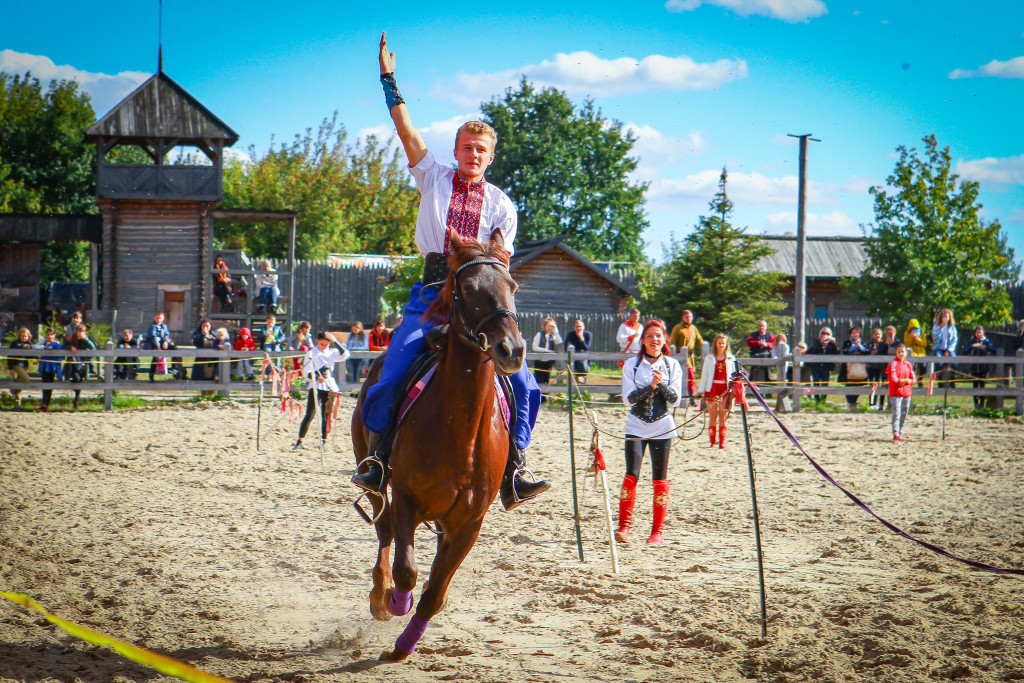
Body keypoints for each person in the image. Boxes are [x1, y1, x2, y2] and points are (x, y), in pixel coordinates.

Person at [354, 32, 549, 511]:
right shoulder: (432, 176)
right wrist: (388, 79)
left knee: (524, 383)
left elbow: (500, 262)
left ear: (491, 155)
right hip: (432, 294)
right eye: (466, 147)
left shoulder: (503, 205)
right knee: (393, 366)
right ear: (456, 149)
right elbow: (405, 130)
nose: (473, 155)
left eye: (481, 150)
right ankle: (377, 460)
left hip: (480, 300)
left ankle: (516, 465)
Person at [616, 320, 682, 544]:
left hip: (663, 426)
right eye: (650, 336)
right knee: (631, 474)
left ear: (664, 340)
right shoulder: (631, 365)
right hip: (636, 424)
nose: (655, 340)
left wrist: (661, 383)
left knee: (659, 478)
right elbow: (628, 399)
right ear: (643, 340)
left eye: (658, 336)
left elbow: (675, 400)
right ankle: (624, 527)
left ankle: (657, 532)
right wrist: (651, 386)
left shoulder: (673, 365)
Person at [293, 331, 351, 450]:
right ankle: (300, 440)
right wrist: (314, 376)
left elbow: (346, 354)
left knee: (326, 414)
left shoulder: (332, 353)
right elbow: (306, 372)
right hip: (315, 385)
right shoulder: (311, 353)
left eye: (325, 344)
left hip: (328, 385)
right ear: (317, 342)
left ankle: (324, 440)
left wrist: (335, 341)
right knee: (310, 413)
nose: (323, 346)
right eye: (321, 344)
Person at [697, 334, 737, 449]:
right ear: (715, 344)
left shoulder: (731, 358)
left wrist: (734, 389)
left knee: (723, 416)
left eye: (723, 343)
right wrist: (701, 390)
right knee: (713, 415)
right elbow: (704, 376)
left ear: (726, 344)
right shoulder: (709, 358)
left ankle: (722, 442)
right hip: (712, 388)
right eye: (719, 343)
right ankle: (712, 442)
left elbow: (733, 375)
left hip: (725, 389)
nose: (721, 345)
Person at [668, 310, 703, 404]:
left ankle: (691, 398)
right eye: (687, 317)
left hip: (690, 357)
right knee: (688, 376)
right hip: (680, 357)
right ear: (683, 317)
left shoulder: (693, 328)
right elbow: (672, 344)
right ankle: (688, 398)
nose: (689, 319)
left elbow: (699, 341)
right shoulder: (678, 328)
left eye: (690, 317)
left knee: (691, 377)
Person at [141, 311, 184, 381]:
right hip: (153, 343)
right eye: (157, 318)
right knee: (156, 357)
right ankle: (151, 375)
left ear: (163, 318)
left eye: (160, 318)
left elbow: (166, 335)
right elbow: (153, 336)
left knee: (174, 349)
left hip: (162, 342)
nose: (159, 320)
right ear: (154, 318)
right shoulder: (152, 326)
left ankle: (175, 368)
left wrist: (166, 342)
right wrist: (158, 346)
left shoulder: (164, 326)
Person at [886, 343, 915, 442]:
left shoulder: (908, 364)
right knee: (897, 413)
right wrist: (905, 381)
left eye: (903, 351)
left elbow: (913, 379)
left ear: (906, 353)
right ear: (896, 353)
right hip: (896, 392)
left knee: (904, 413)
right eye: (899, 351)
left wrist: (907, 381)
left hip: (906, 392)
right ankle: (895, 434)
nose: (901, 353)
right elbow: (894, 379)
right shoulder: (893, 364)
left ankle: (900, 431)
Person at [963, 326, 996, 410]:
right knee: (975, 386)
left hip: (983, 367)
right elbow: (965, 351)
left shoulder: (986, 341)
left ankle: (982, 404)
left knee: (982, 386)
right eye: (977, 332)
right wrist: (973, 346)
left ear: (982, 333)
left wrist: (984, 347)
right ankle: (976, 405)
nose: (978, 334)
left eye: (980, 332)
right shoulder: (972, 340)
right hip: (974, 367)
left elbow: (993, 350)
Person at [67, 324, 98, 410]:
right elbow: (64, 345)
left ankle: (76, 401)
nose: (80, 333)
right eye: (79, 331)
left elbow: (93, 348)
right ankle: (76, 398)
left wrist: (86, 339)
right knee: (76, 379)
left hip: (83, 364)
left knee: (79, 380)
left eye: (82, 331)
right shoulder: (71, 338)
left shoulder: (86, 340)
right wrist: (70, 347)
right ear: (76, 331)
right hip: (73, 363)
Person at [839, 326, 870, 411]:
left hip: (860, 368)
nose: (855, 334)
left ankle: (854, 402)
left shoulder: (863, 342)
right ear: (850, 334)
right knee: (849, 385)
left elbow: (867, 352)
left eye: (857, 333)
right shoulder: (847, 342)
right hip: (848, 368)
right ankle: (851, 403)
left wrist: (860, 346)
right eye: (853, 333)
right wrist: (853, 347)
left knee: (859, 384)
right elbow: (845, 351)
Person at [805, 326, 838, 403]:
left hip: (826, 368)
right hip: (816, 367)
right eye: (823, 333)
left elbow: (836, 353)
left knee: (825, 385)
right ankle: (817, 401)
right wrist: (821, 342)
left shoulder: (831, 343)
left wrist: (834, 343)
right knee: (816, 384)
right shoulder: (816, 341)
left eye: (827, 333)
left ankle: (823, 401)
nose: (825, 335)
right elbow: (815, 350)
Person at [34, 327, 63, 411]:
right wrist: (44, 344)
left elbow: (53, 349)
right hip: (44, 366)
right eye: (48, 334)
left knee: (49, 384)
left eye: (51, 335)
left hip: (52, 367)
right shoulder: (44, 343)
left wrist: (47, 346)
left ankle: (46, 404)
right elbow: (35, 346)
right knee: (44, 383)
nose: (50, 336)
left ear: (54, 335)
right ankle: (44, 403)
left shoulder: (57, 343)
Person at [6, 327, 34, 407]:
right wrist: (10, 368)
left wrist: (30, 349)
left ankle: (17, 402)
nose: (24, 337)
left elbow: (33, 356)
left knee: (20, 381)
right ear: (19, 336)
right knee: (26, 378)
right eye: (22, 336)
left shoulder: (30, 344)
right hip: (16, 364)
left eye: (26, 336)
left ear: (29, 336)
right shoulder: (15, 343)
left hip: (24, 365)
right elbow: (9, 355)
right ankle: (14, 389)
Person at [932, 308, 958, 389]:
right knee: (939, 362)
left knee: (955, 362)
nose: (945, 318)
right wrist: (940, 328)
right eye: (943, 317)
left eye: (946, 317)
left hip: (949, 349)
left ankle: (952, 379)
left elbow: (954, 340)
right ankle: (939, 380)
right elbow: (935, 339)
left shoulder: (952, 328)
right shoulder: (936, 326)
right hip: (939, 348)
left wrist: (948, 350)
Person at [531, 317, 562, 385]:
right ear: (545, 326)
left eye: (552, 326)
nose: (550, 327)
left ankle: (545, 395)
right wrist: (547, 350)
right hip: (539, 361)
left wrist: (556, 331)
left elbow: (559, 341)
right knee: (538, 380)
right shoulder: (539, 334)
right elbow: (534, 347)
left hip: (548, 362)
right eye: (549, 326)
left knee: (546, 380)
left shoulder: (553, 336)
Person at [745, 320, 775, 385]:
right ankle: (751, 386)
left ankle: (767, 388)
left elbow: (774, 344)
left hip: (766, 356)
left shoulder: (770, 335)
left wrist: (766, 344)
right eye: (760, 326)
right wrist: (758, 343)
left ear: (766, 327)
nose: (761, 327)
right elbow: (749, 343)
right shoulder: (753, 335)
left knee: (767, 372)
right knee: (754, 371)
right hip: (755, 354)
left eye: (763, 326)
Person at [564, 319, 592, 384]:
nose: (578, 328)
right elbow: (567, 346)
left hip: (584, 358)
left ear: (583, 327)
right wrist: (578, 351)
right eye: (577, 327)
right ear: (574, 327)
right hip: (573, 357)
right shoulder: (570, 334)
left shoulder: (588, 334)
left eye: (580, 326)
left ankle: (582, 381)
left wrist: (581, 338)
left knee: (582, 366)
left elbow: (587, 347)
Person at [904, 318, 927, 388]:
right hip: (912, 353)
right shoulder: (906, 333)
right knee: (911, 366)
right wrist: (911, 337)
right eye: (912, 328)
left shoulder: (922, 333)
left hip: (921, 353)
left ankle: (920, 380)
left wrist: (917, 339)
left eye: (915, 328)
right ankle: (911, 381)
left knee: (923, 366)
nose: (914, 329)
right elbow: (907, 344)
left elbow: (924, 344)